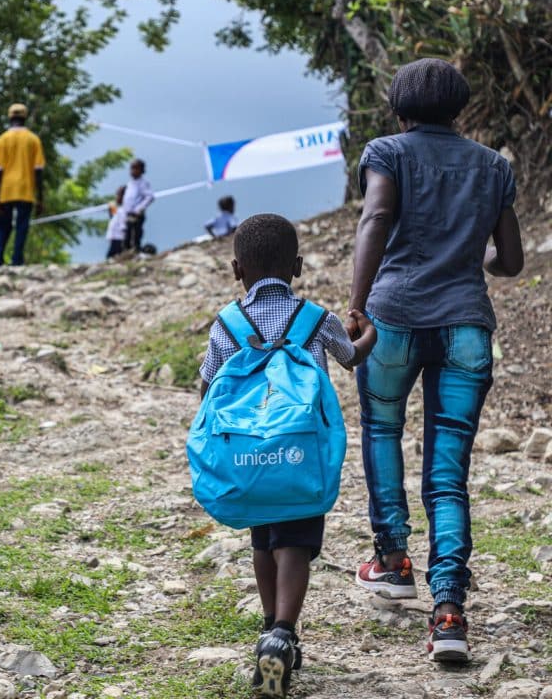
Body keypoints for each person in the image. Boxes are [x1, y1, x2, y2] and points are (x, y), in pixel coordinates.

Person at [347, 58, 524, 663]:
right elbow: (511, 260)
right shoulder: (494, 166)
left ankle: (393, 560)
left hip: (393, 317)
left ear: (399, 110)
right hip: (466, 326)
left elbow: (375, 217)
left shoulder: (387, 151)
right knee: (449, 471)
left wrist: (356, 305)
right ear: (460, 110)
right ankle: (449, 613)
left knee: (383, 431)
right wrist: (474, 262)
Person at [199, 214, 376, 698]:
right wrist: (368, 336)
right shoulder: (316, 319)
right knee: (295, 542)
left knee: (263, 539)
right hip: (300, 454)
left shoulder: (227, 323)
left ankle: (266, 625)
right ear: (297, 266)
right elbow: (350, 356)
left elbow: (208, 385)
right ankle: (284, 631)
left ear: (238, 269)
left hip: (251, 458)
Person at [0, 103, 45, 267]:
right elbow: (39, 171)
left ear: (10, 117)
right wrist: (40, 197)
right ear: (25, 118)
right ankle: (17, 260)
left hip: (6, 190)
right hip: (25, 189)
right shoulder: (33, 139)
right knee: (22, 227)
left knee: (3, 226)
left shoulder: (2, 140)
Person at [122, 158, 154, 252]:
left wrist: (138, 209)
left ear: (141, 170)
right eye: (132, 168)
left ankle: (136, 253)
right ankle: (126, 254)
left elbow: (149, 197)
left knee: (135, 236)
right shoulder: (130, 184)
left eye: (136, 168)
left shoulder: (143, 183)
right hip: (128, 214)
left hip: (137, 214)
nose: (133, 171)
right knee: (127, 237)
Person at [106, 185, 127, 259]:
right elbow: (114, 217)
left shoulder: (126, 210)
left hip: (119, 239)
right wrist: (111, 209)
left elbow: (124, 226)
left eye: (118, 194)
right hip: (115, 238)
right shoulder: (120, 209)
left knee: (111, 258)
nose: (116, 197)